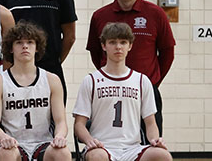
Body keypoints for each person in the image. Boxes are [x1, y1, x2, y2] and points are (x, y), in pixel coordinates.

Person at [87, 0, 175, 136]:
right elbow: (96, 52)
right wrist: (110, 77)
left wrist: (151, 82)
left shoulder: (156, 13)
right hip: (110, 92)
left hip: (146, 92)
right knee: (111, 140)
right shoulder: (100, 16)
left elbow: (167, 53)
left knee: (152, 143)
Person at [73, 23, 172, 161]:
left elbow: (150, 123)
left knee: (162, 156)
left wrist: (155, 140)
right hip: (102, 147)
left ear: (130, 46)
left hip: (133, 149)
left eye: (123, 42)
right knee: (97, 156)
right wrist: (89, 140)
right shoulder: (91, 80)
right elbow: (79, 124)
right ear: (104, 46)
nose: (118, 47)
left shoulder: (142, 81)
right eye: (112, 42)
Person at [0, 0, 77, 103]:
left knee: (55, 123)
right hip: (16, 71)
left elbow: (70, 35)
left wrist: (55, 60)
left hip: (51, 69)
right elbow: (3, 35)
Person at [0, 22, 71, 161]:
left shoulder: (52, 80)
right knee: (7, 154)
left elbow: (61, 121)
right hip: (14, 143)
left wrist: (60, 136)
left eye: (30, 42)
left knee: (62, 153)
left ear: (37, 47)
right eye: (19, 42)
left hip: (43, 143)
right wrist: (3, 137)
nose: (25, 46)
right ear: (11, 48)